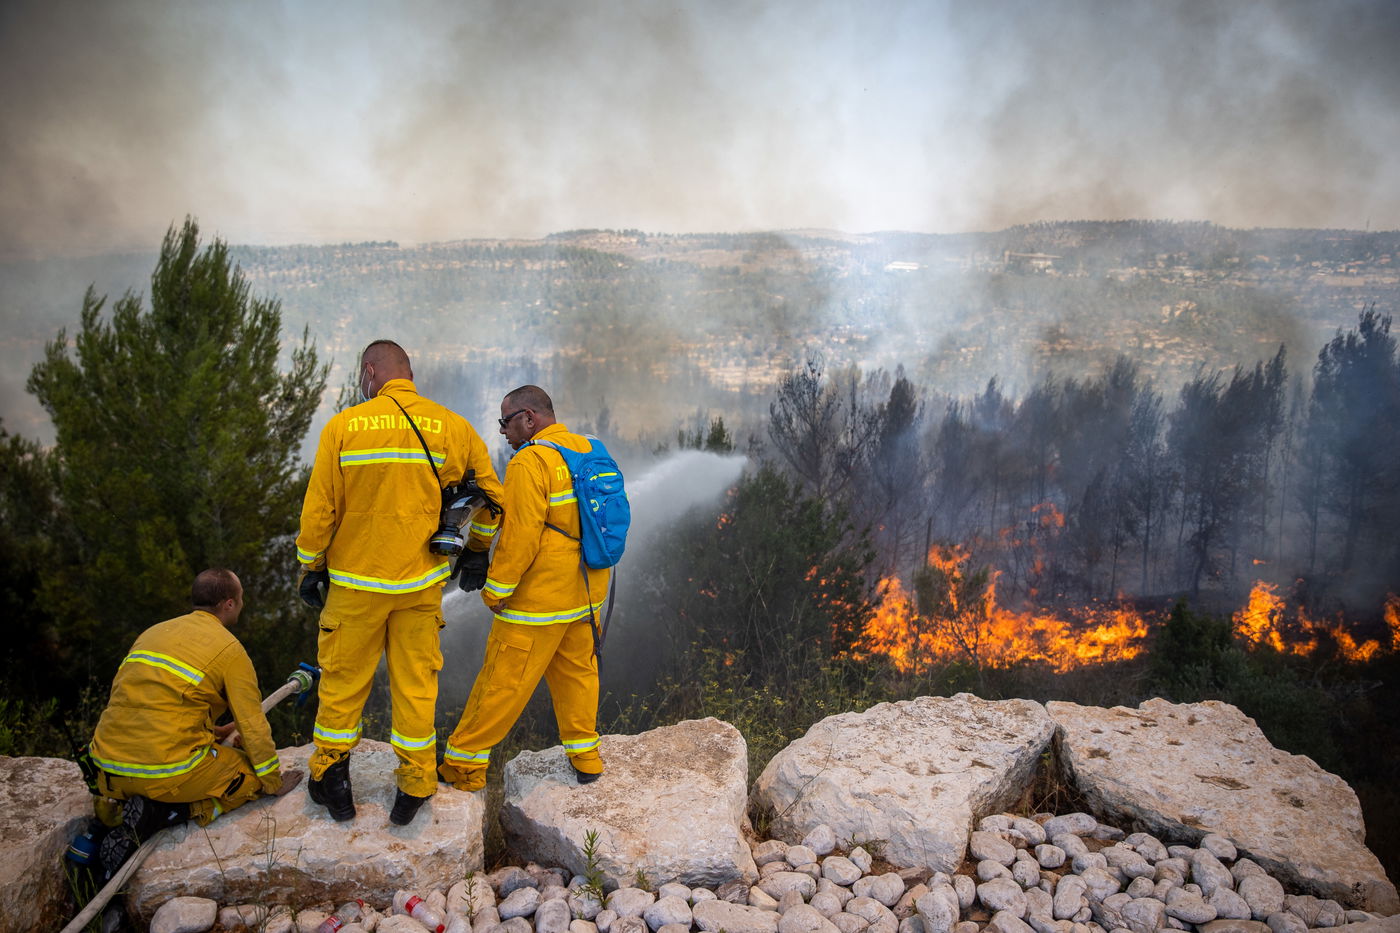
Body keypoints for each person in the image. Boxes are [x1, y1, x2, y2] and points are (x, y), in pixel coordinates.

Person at [296, 339, 504, 826]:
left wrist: (311, 565)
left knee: (343, 685)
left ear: (371, 372)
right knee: (415, 687)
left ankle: (333, 781)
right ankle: (413, 785)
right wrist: (476, 552)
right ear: (408, 374)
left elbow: (319, 510)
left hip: (355, 587)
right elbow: (493, 498)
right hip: (419, 589)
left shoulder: (344, 427)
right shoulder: (453, 427)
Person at [439, 385, 609, 791]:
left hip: (538, 602)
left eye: (505, 422)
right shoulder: (591, 448)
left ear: (529, 418)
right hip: (586, 594)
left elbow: (519, 537)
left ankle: (462, 765)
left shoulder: (529, 462)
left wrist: (496, 589)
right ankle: (586, 756)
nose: (502, 432)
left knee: (502, 683)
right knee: (579, 675)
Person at [88, 568, 300, 875]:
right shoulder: (230, 650)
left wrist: (212, 732)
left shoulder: (153, 633)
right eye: (240, 598)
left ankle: (123, 811)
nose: (242, 603)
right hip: (164, 773)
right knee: (245, 776)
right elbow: (253, 727)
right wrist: (270, 781)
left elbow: (146, 704)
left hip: (108, 769)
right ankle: (168, 813)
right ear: (229, 603)